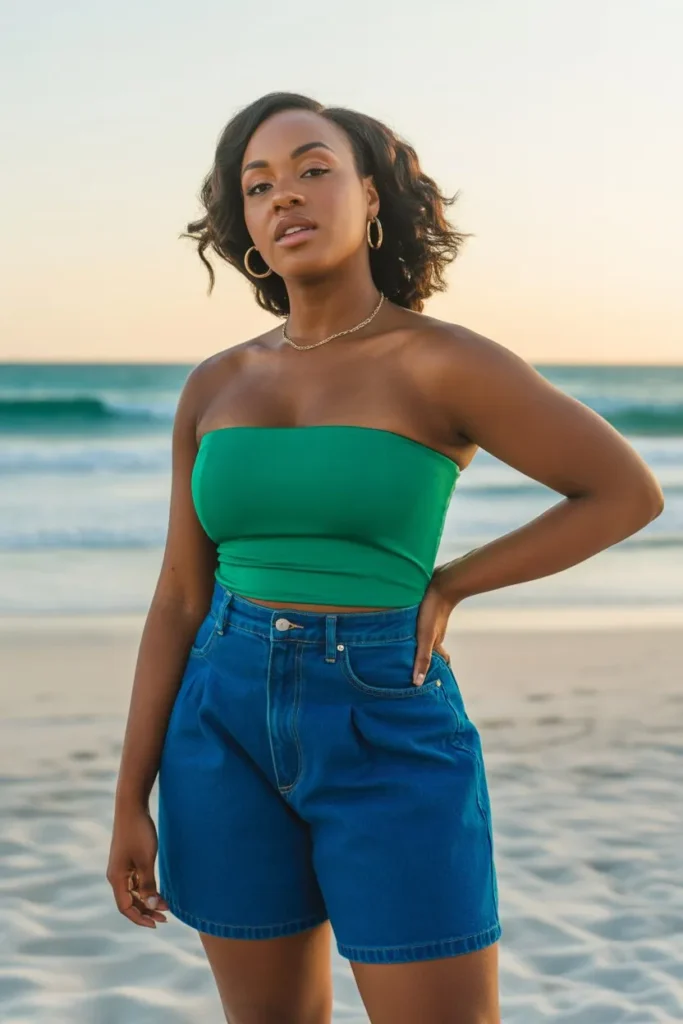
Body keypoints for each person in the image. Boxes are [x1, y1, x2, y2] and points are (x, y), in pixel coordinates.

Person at [106, 92, 664, 1024]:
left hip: (382, 719)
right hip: (219, 727)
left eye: (313, 169)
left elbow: (622, 492)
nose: (286, 196)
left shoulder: (440, 362)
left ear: (371, 197)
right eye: (259, 185)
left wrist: (452, 583)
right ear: (242, 223)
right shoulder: (215, 383)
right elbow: (177, 598)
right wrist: (130, 796)